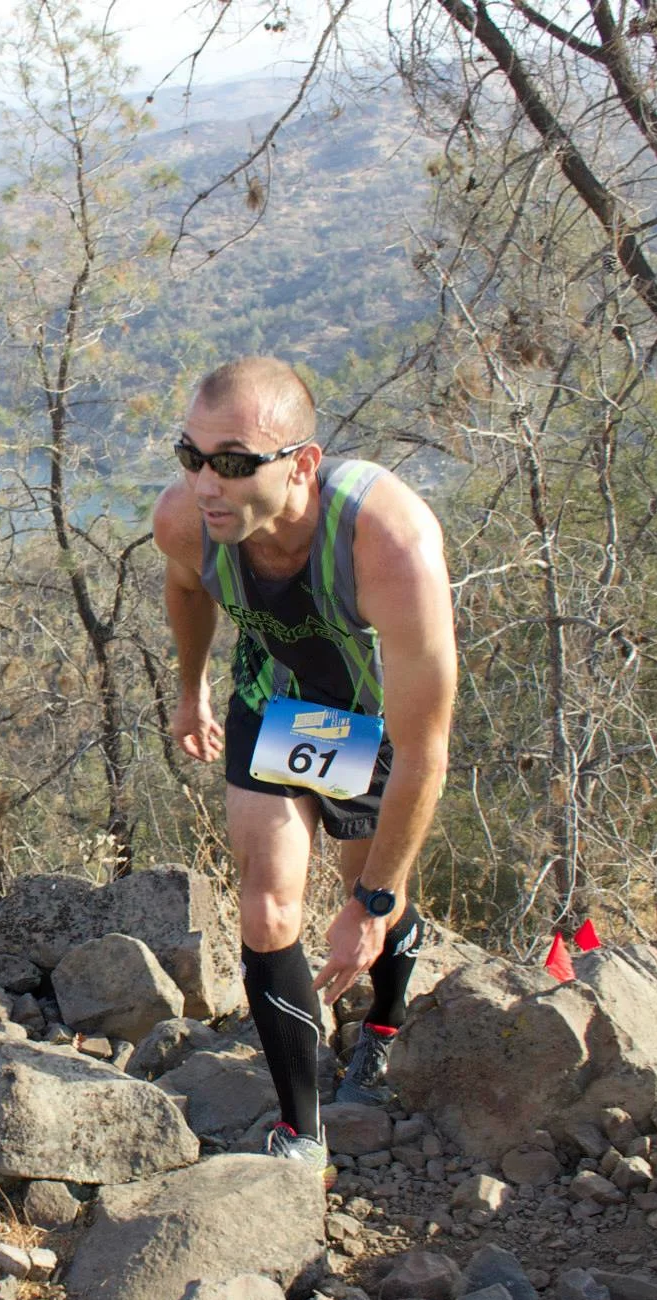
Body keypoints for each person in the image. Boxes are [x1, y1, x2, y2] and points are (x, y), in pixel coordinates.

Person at [152, 357, 456, 1169]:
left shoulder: (390, 543)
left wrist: (374, 899)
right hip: (277, 698)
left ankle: (383, 1029)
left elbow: (427, 746)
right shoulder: (184, 519)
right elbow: (186, 590)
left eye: (233, 463)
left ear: (302, 465)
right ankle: (301, 1132)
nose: (206, 485)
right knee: (267, 911)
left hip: (368, 718)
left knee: (372, 904)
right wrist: (193, 693)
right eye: (190, 456)